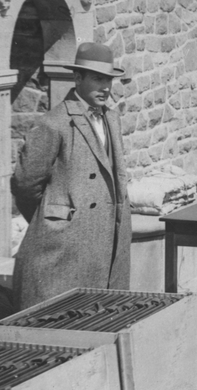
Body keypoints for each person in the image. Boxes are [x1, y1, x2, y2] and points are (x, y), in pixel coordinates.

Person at [12, 42, 132, 311]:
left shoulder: (112, 119)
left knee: (104, 317)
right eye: (97, 79)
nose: (106, 87)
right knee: (62, 321)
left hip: (108, 239)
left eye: (109, 80)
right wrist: (56, 218)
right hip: (65, 246)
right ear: (77, 78)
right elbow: (25, 185)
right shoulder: (54, 124)